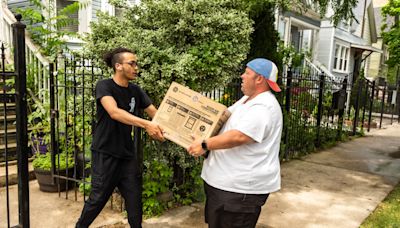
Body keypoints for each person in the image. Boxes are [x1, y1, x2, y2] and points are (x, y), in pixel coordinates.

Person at [187, 58, 283, 228]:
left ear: (259, 79)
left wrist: (204, 145)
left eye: (247, 73)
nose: (242, 76)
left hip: (240, 191)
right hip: (224, 186)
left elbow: (239, 136)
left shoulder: (264, 106)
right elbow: (222, 116)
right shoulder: (247, 100)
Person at [76, 47, 164, 228]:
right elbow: (114, 112)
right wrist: (147, 124)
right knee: (98, 198)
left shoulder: (136, 90)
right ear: (118, 66)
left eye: (136, 63)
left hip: (126, 154)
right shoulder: (104, 86)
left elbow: (156, 114)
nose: (136, 67)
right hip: (106, 152)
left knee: (134, 198)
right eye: (131, 63)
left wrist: (169, 131)